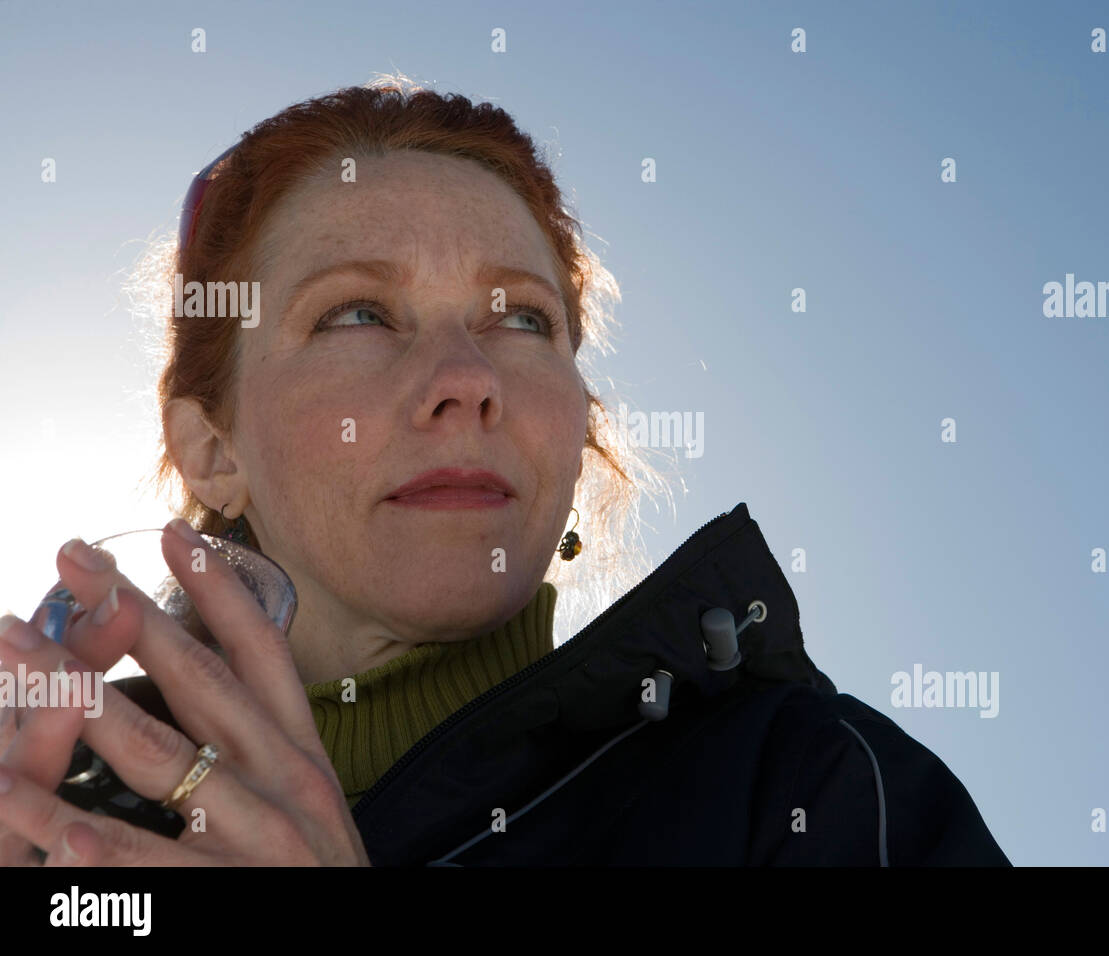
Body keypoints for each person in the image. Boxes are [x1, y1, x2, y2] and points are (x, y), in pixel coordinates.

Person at [0, 77, 1010, 866]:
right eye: (358, 311)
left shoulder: (807, 783)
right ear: (213, 450)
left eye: (521, 318)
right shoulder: (44, 818)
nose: (465, 378)